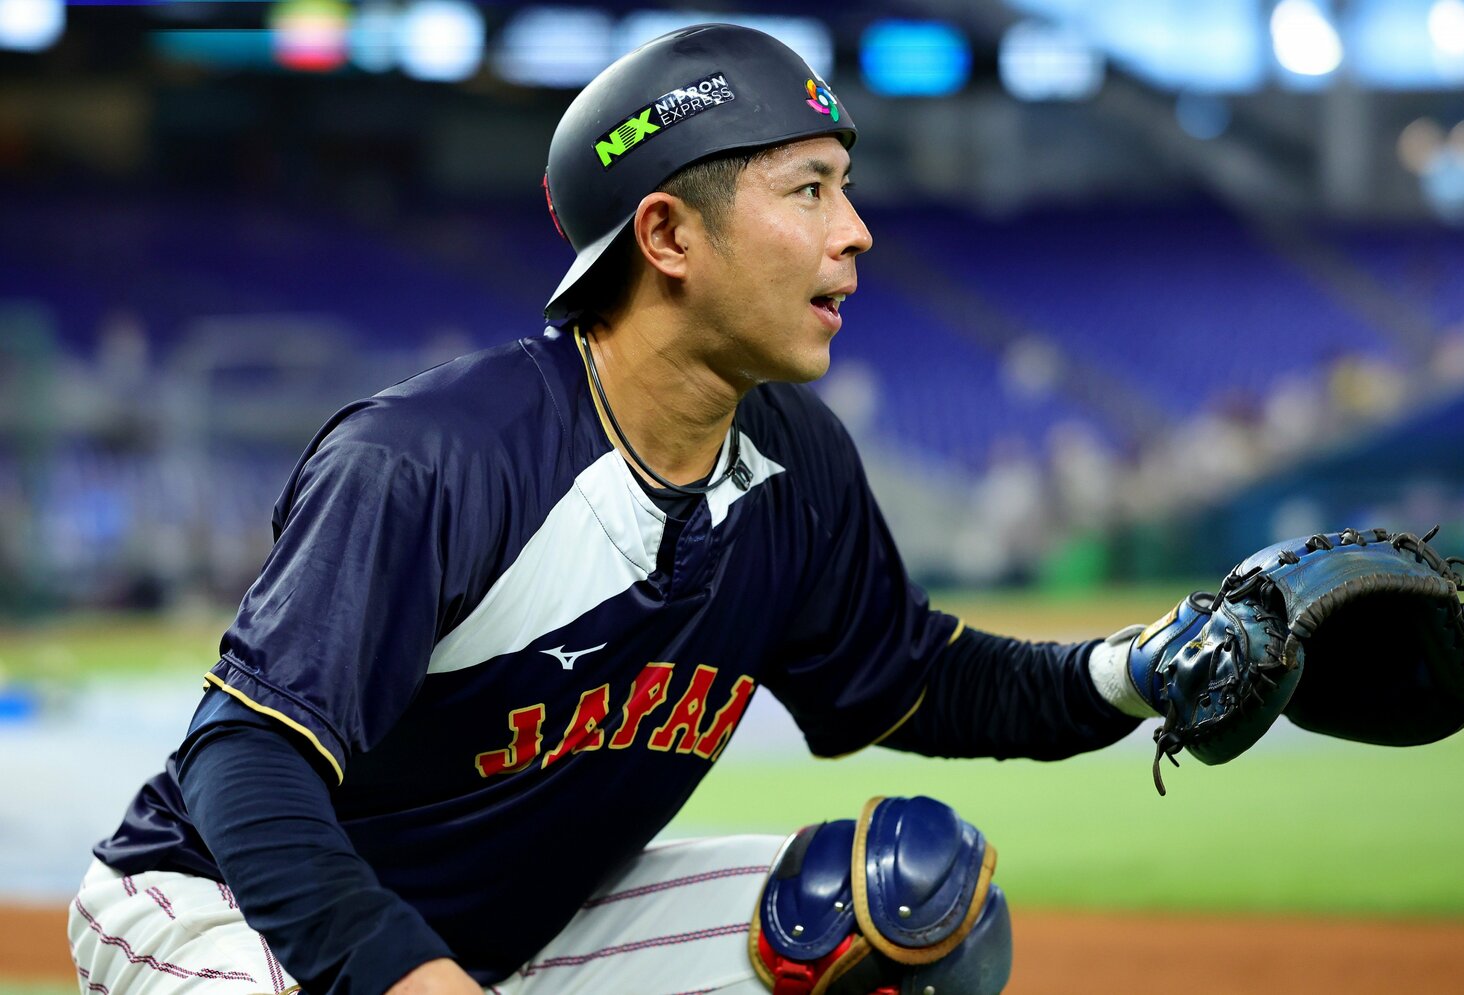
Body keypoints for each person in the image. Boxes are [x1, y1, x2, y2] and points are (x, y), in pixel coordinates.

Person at [63, 24, 1219, 995]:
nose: (855, 229)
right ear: (667, 235)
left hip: (517, 934)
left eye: (846, 188)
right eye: (809, 190)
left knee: (905, 911)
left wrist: (1140, 670)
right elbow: (244, 759)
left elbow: (914, 678)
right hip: (225, 904)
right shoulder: (434, 460)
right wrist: (404, 974)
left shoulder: (797, 461)